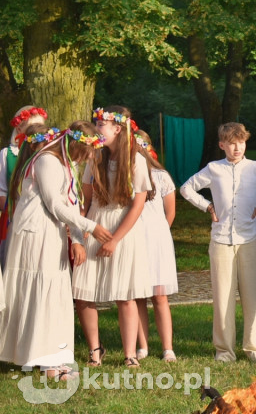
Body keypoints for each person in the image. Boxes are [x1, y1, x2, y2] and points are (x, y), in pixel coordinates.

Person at [0, 123, 113, 380]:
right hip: (35, 235)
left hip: (52, 233)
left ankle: (52, 358)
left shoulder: (66, 165)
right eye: (88, 150)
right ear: (77, 145)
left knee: (54, 295)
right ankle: (48, 363)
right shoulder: (47, 161)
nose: (90, 156)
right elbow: (54, 204)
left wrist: (77, 239)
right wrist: (91, 227)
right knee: (42, 295)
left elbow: (70, 203)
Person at [180, 122, 256, 362]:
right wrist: (207, 206)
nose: (237, 148)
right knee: (222, 296)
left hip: (249, 238)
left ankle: (255, 347)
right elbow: (186, 189)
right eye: (232, 143)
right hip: (220, 240)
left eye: (241, 142)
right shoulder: (214, 169)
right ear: (222, 145)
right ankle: (224, 350)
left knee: (252, 294)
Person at [73, 106, 153, 368]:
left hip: (123, 229)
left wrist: (115, 239)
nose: (97, 130)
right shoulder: (94, 157)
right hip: (95, 223)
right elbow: (85, 200)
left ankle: (129, 353)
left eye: (101, 125)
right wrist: (79, 232)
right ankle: (95, 349)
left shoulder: (136, 159)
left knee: (125, 294)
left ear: (117, 129)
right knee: (83, 292)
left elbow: (138, 205)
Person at [133, 130, 178, 362]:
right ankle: (142, 345)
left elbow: (170, 212)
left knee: (159, 296)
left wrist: (159, 234)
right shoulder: (126, 176)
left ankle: (167, 347)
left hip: (157, 241)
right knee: (138, 296)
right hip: (134, 239)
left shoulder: (161, 176)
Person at [0, 105, 48, 270]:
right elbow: (2, 190)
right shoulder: (8, 154)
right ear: (19, 129)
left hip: (43, 216)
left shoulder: (47, 154)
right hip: (14, 215)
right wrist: (15, 211)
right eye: (32, 127)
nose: (37, 132)